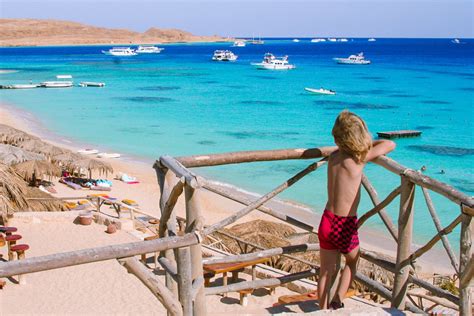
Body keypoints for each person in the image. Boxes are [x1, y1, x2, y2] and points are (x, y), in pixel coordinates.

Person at [317, 111, 396, 310]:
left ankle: (323, 310)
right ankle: (337, 300)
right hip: (344, 225)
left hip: (326, 219)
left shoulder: (333, 156)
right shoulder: (359, 159)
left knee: (325, 271)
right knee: (352, 262)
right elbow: (390, 144)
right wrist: (368, 142)